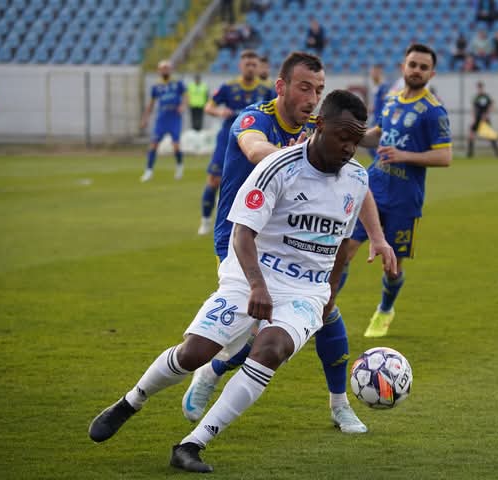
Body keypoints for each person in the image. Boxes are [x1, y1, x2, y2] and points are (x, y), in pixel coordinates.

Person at [88, 90, 378, 473]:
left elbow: (340, 246)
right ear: (320, 125)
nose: (350, 148)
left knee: (271, 350)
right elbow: (242, 233)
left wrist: (330, 294)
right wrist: (257, 285)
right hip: (251, 271)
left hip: (306, 290)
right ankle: (131, 401)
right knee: (195, 353)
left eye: (356, 140)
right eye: (343, 137)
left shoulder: (356, 177)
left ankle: (192, 444)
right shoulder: (278, 167)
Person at [184, 52, 396, 434]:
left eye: (318, 90)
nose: (312, 98)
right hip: (242, 240)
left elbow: (357, 182)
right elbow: (255, 149)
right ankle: (211, 370)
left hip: (295, 243)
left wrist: (378, 237)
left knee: (325, 313)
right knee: (254, 331)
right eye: (304, 88)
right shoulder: (255, 118)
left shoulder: (318, 128)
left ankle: (340, 405)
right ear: (281, 87)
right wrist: (298, 157)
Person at [349, 43, 453, 338]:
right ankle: (324, 311)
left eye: (423, 67)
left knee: (391, 267)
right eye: (413, 65)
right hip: (373, 188)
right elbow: (376, 136)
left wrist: (404, 155)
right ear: (403, 67)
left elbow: (445, 156)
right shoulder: (392, 99)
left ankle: (385, 309)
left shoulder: (434, 111)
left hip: (405, 199)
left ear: (431, 74)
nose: (417, 70)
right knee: (344, 251)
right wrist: (349, 133)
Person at [198, 50, 273, 236]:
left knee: (250, 182)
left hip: (254, 141)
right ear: (240, 66)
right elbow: (208, 107)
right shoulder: (228, 87)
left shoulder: (266, 89)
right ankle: (205, 220)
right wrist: (219, 112)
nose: (250, 68)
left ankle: (248, 225)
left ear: (258, 67)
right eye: (247, 64)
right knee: (214, 180)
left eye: (254, 65)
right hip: (227, 139)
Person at [139, 60, 187, 183]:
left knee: (176, 145)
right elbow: (151, 104)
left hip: (174, 117)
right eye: (163, 68)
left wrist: (183, 106)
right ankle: (149, 171)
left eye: (167, 68)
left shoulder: (177, 83)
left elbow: (186, 96)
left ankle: (179, 166)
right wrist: (145, 119)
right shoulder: (156, 86)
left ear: (170, 70)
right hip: (162, 118)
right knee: (153, 144)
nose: (165, 70)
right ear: (159, 71)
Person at [467, 81, 498, 158]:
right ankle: (470, 153)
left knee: (491, 136)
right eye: (478, 87)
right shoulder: (476, 97)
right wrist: (474, 119)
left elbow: (492, 106)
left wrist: (487, 114)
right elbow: (473, 109)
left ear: (483, 88)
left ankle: (497, 153)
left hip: (485, 119)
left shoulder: (486, 97)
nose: (479, 89)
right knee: (471, 134)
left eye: (481, 87)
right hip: (477, 119)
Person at [368, 64, 391, 159]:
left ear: (379, 73)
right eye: (371, 72)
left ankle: (382, 161)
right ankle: (380, 161)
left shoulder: (384, 87)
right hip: (375, 119)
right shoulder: (376, 87)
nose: (372, 75)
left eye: (374, 72)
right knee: (372, 146)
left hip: (380, 120)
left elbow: (387, 102)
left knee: (374, 144)